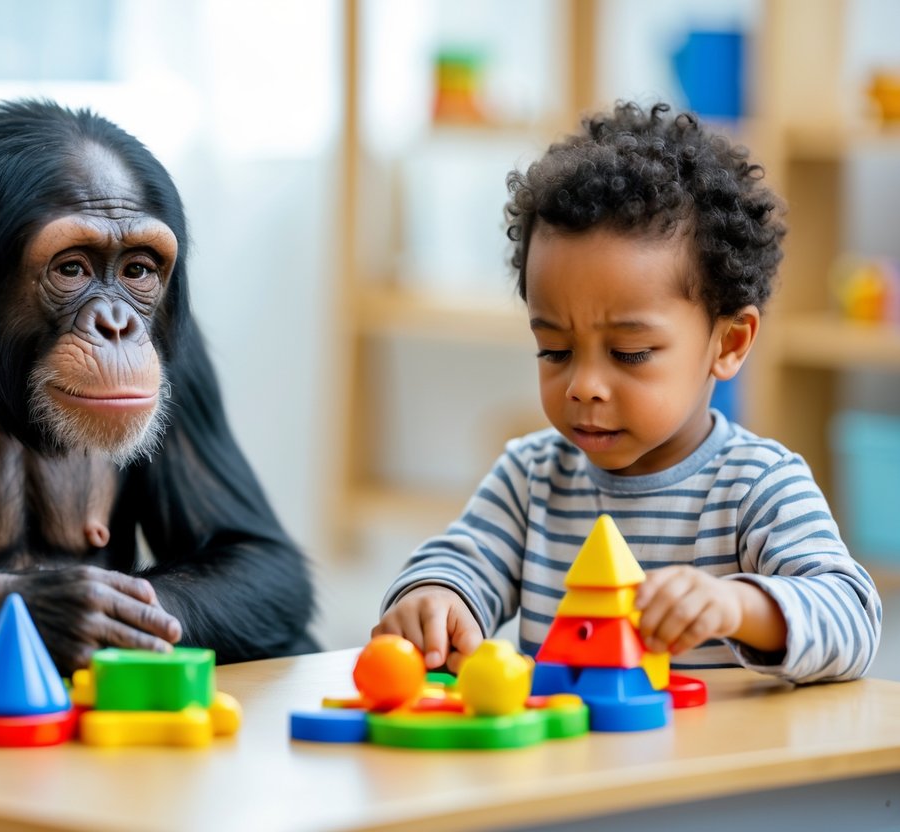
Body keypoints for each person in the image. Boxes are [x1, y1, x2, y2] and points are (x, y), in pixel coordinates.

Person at [373, 101, 881, 685]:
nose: (584, 385)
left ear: (729, 342)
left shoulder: (758, 487)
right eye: (555, 351)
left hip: (709, 774)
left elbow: (853, 620)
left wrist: (741, 606)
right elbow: (458, 561)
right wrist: (436, 598)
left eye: (629, 354)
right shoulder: (531, 477)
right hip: (569, 771)